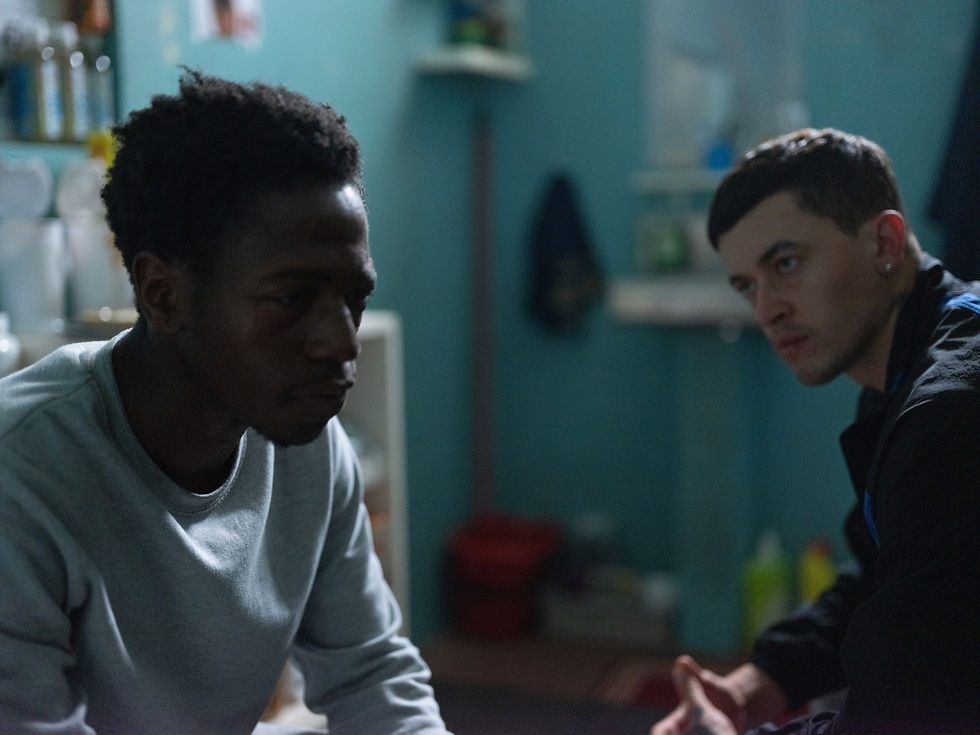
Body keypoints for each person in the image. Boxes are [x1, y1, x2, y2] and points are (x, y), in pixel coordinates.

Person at [0, 70, 449, 734]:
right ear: (163, 295)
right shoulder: (24, 476)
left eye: (353, 298)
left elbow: (370, 672)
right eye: (291, 299)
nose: (338, 341)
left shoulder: (312, 446)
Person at [651, 128, 980, 735]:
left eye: (786, 263)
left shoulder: (948, 410)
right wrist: (762, 684)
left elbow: (903, 721)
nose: (766, 309)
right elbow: (890, 577)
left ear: (884, 241)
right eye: (747, 284)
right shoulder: (902, 372)